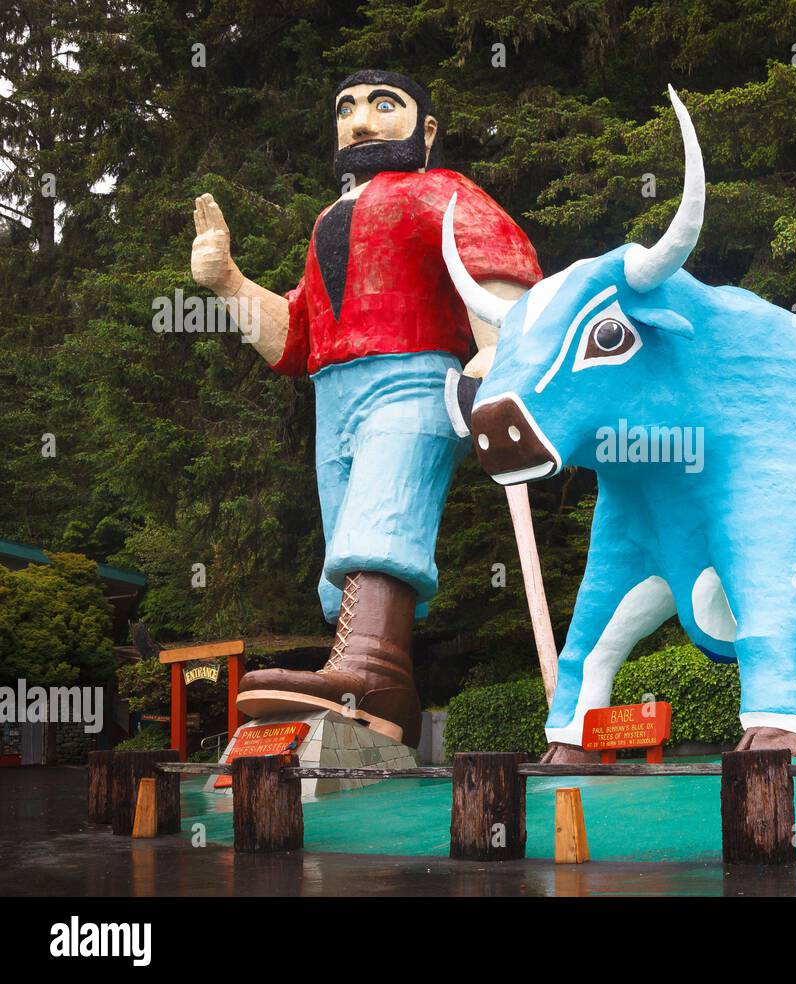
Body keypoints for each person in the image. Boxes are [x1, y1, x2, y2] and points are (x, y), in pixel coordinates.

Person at [189, 70, 542, 746]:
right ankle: (382, 687)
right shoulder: (329, 220)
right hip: (334, 391)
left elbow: (494, 258)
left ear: (426, 129)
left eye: (385, 106)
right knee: (347, 532)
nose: (361, 121)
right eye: (346, 109)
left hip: (414, 376)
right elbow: (295, 335)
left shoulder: (440, 191)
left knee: (386, 506)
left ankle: (369, 669)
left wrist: (500, 350)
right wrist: (228, 282)